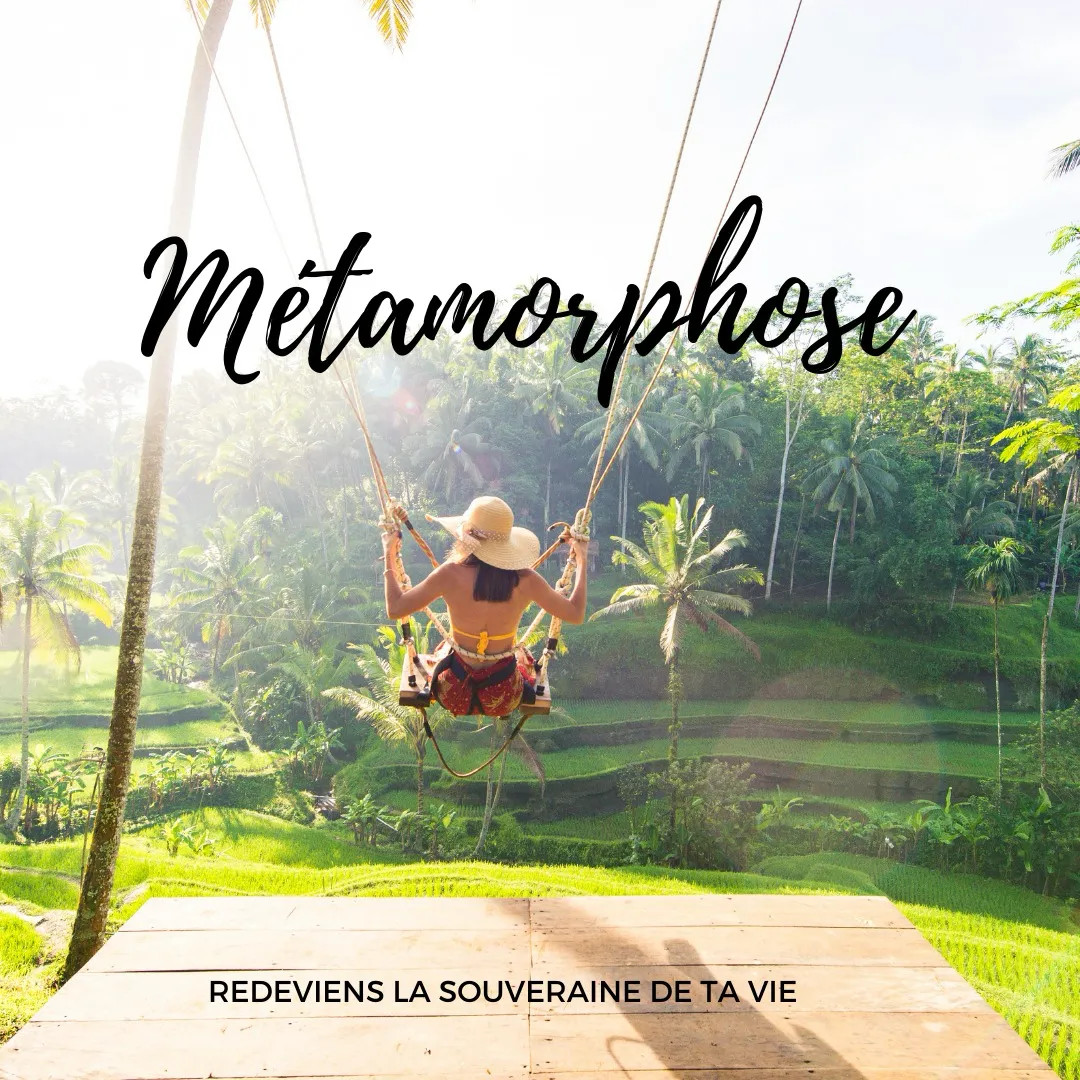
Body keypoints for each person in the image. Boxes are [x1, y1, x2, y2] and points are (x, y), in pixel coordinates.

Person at [381, 495, 588, 716]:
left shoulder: (450, 574)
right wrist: (582, 558)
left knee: (444, 650)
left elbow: (395, 609)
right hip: (504, 695)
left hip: (453, 692)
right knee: (521, 657)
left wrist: (389, 551)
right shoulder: (526, 580)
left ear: (466, 537)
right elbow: (575, 613)